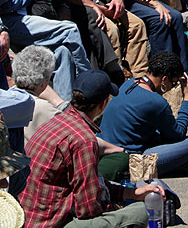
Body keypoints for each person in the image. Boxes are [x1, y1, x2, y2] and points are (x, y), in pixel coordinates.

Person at [20, 69, 165, 228]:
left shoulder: (57, 122)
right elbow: (88, 209)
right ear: (103, 104)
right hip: (52, 223)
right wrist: (115, 208)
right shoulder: (84, 139)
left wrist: (131, 193)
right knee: (141, 211)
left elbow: (90, 186)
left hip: (29, 218)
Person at [100, 51, 188, 177]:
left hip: (104, 151)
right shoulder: (156, 102)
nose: (172, 88)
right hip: (129, 161)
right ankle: (141, 172)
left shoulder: (129, 84)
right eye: (173, 83)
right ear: (164, 79)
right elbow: (178, 134)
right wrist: (186, 97)